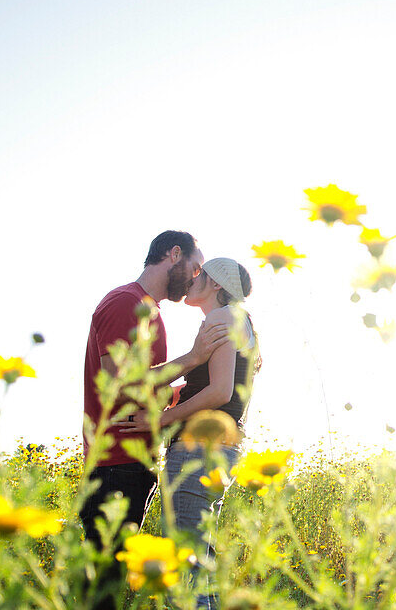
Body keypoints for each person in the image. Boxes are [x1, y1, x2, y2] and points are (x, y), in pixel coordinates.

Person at [80, 230, 228, 610]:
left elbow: (143, 390)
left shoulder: (151, 312)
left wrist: (190, 397)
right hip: (114, 463)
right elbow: (119, 382)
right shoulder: (125, 302)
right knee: (102, 587)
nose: (196, 277)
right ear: (173, 254)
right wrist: (193, 359)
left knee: (109, 584)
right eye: (195, 267)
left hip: (133, 462)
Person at [116, 257, 260, 610]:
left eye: (201, 274)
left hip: (199, 449)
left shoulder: (221, 318)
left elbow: (220, 392)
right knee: (198, 564)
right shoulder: (238, 322)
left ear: (216, 284)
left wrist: (160, 421)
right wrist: (180, 393)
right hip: (219, 448)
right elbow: (216, 387)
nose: (193, 278)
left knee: (185, 564)